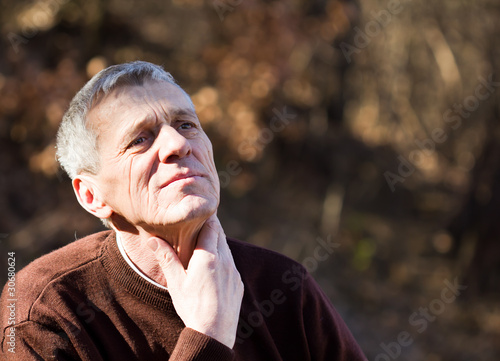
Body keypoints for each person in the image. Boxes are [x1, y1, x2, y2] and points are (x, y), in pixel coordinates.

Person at [0, 61, 367, 360]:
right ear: (92, 195)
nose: (177, 143)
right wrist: (207, 336)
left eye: (186, 124)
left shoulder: (284, 286)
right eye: (139, 139)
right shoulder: (44, 310)